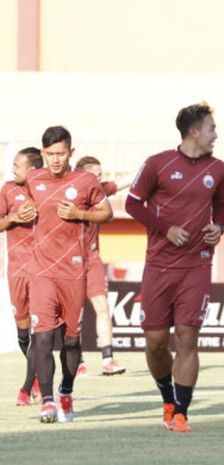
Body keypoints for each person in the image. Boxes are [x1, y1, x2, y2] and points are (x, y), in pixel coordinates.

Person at [125, 102, 224, 433]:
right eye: (212, 128)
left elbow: (223, 205)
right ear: (194, 131)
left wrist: (219, 226)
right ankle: (167, 397)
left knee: (187, 337)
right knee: (156, 342)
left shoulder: (219, 168)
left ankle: (181, 413)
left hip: (197, 264)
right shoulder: (157, 163)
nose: (216, 134)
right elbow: (131, 204)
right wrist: (165, 228)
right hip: (159, 265)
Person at [26, 126, 113, 423]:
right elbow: (22, 202)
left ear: (71, 153)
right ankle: (48, 401)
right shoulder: (33, 178)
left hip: (74, 272)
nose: (54, 160)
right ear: (42, 154)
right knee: (42, 337)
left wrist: (80, 215)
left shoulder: (86, 181)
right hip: (40, 271)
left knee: (72, 341)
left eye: (60, 154)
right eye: (49, 154)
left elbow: (107, 212)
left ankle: (66, 390)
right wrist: (20, 214)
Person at [74, 155, 131, 376]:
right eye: (95, 175)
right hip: (69, 262)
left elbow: (127, 182)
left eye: (101, 176)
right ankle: (76, 360)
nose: (99, 180)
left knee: (103, 308)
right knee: (74, 313)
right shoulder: (67, 192)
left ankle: (108, 359)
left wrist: (152, 165)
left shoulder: (99, 191)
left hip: (93, 259)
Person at [0, 147, 43, 405]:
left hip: (42, 269)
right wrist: (14, 217)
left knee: (40, 332)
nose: (13, 169)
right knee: (23, 334)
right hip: (16, 269)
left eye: (17, 165)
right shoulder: (7, 189)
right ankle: (36, 378)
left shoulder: (46, 189)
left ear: (32, 170)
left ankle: (27, 387)